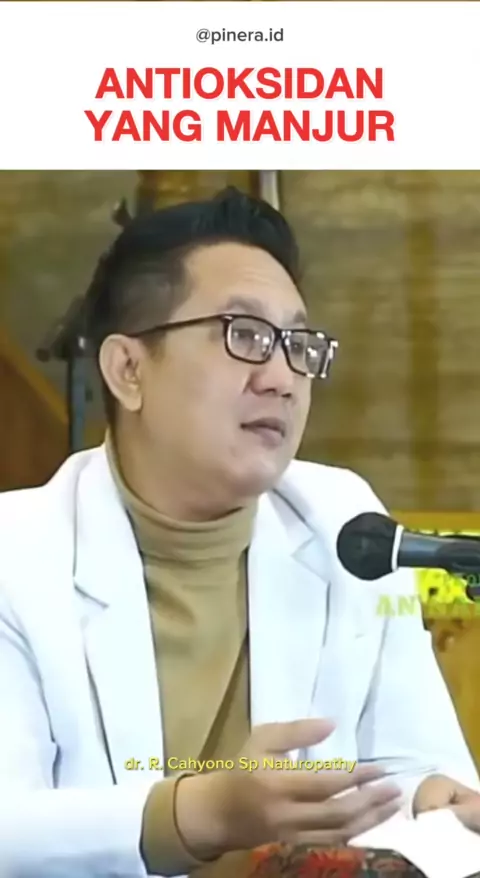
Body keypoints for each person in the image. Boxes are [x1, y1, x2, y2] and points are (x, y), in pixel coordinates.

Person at [0, 187, 478, 878]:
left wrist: (424, 803)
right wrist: (199, 815)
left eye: (299, 345)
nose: (283, 378)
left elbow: (411, 772)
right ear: (128, 370)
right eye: (244, 335)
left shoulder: (345, 523)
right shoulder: (16, 554)